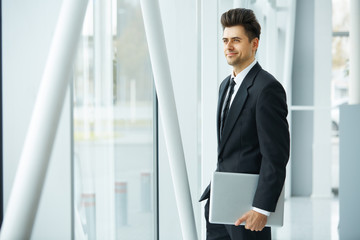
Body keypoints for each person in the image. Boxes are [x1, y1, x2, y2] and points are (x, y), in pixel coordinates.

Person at [199, 8, 290, 240]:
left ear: (254, 43)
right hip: (219, 206)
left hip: (248, 210)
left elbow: (276, 156)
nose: (228, 46)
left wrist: (262, 209)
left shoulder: (267, 89)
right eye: (225, 40)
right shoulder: (224, 86)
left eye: (236, 40)